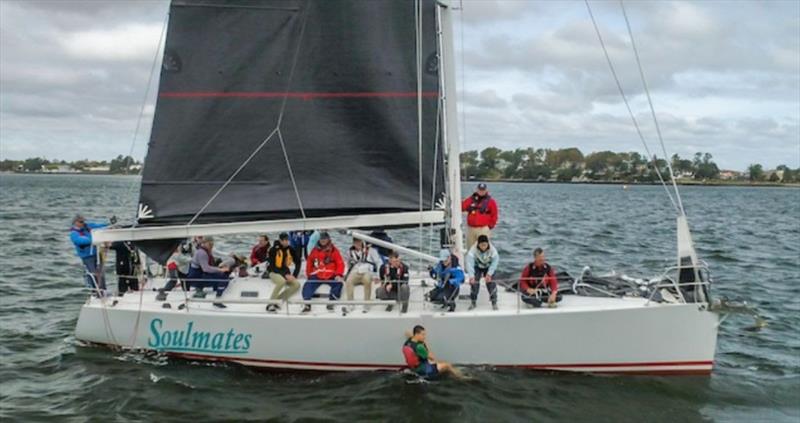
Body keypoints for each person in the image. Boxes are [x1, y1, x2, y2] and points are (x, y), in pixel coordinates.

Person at [302, 232, 345, 312]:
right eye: (322, 239)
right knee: (307, 285)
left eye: (325, 239)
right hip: (318, 274)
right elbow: (309, 262)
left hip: (331, 275)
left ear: (328, 239)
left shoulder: (334, 250)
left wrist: (339, 274)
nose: (323, 241)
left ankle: (332, 301)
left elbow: (340, 263)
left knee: (339, 284)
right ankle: (307, 304)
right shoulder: (314, 250)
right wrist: (309, 274)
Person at [186, 236, 230, 306]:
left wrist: (221, 266)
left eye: (212, 244)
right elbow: (206, 268)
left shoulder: (205, 251)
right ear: (204, 243)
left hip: (200, 274)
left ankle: (216, 291)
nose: (212, 246)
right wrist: (220, 269)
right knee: (224, 280)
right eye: (210, 244)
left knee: (222, 275)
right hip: (196, 278)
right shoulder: (202, 253)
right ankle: (217, 299)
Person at [69, 214, 108, 293]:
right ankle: (95, 292)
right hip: (87, 257)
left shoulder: (87, 226)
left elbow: (98, 225)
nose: (83, 223)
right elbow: (80, 241)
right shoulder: (74, 233)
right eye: (81, 222)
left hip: (96, 253)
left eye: (83, 221)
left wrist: (109, 224)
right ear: (75, 222)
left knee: (101, 273)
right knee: (92, 274)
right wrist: (96, 238)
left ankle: (103, 290)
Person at [344, 238, 382, 311]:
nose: (357, 243)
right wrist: (346, 274)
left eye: (358, 241)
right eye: (355, 242)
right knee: (348, 281)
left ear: (362, 241)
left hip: (367, 272)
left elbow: (378, 262)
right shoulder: (350, 252)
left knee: (367, 281)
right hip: (355, 272)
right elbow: (347, 264)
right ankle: (350, 304)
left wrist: (377, 276)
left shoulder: (371, 250)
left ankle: (366, 304)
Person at [266, 233, 300, 312]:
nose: (286, 242)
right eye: (284, 240)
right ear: (280, 240)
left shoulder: (290, 249)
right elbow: (272, 266)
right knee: (281, 281)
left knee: (297, 285)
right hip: (273, 272)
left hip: (284, 272)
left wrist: (294, 275)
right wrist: (285, 275)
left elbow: (298, 262)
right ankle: (270, 304)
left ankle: (277, 301)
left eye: (287, 240)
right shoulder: (273, 250)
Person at [465, 234, 500, 310]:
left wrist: (489, 274)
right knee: (474, 283)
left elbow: (495, 262)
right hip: (477, 267)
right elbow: (469, 264)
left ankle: (494, 302)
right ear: (478, 244)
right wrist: (471, 276)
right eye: (482, 245)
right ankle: (473, 302)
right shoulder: (472, 251)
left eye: (485, 245)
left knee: (491, 283)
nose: (483, 247)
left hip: (488, 267)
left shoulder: (493, 251)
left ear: (488, 244)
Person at [461, 183, 499, 248]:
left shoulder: (491, 202)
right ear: (477, 190)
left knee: (483, 248)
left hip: (483, 229)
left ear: (486, 191)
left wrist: (490, 226)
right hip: (471, 228)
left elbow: (494, 215)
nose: (481, 192)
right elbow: (462, 207)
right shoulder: (470, 200)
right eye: (480, 190)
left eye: (483, 190)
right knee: (470, 248)